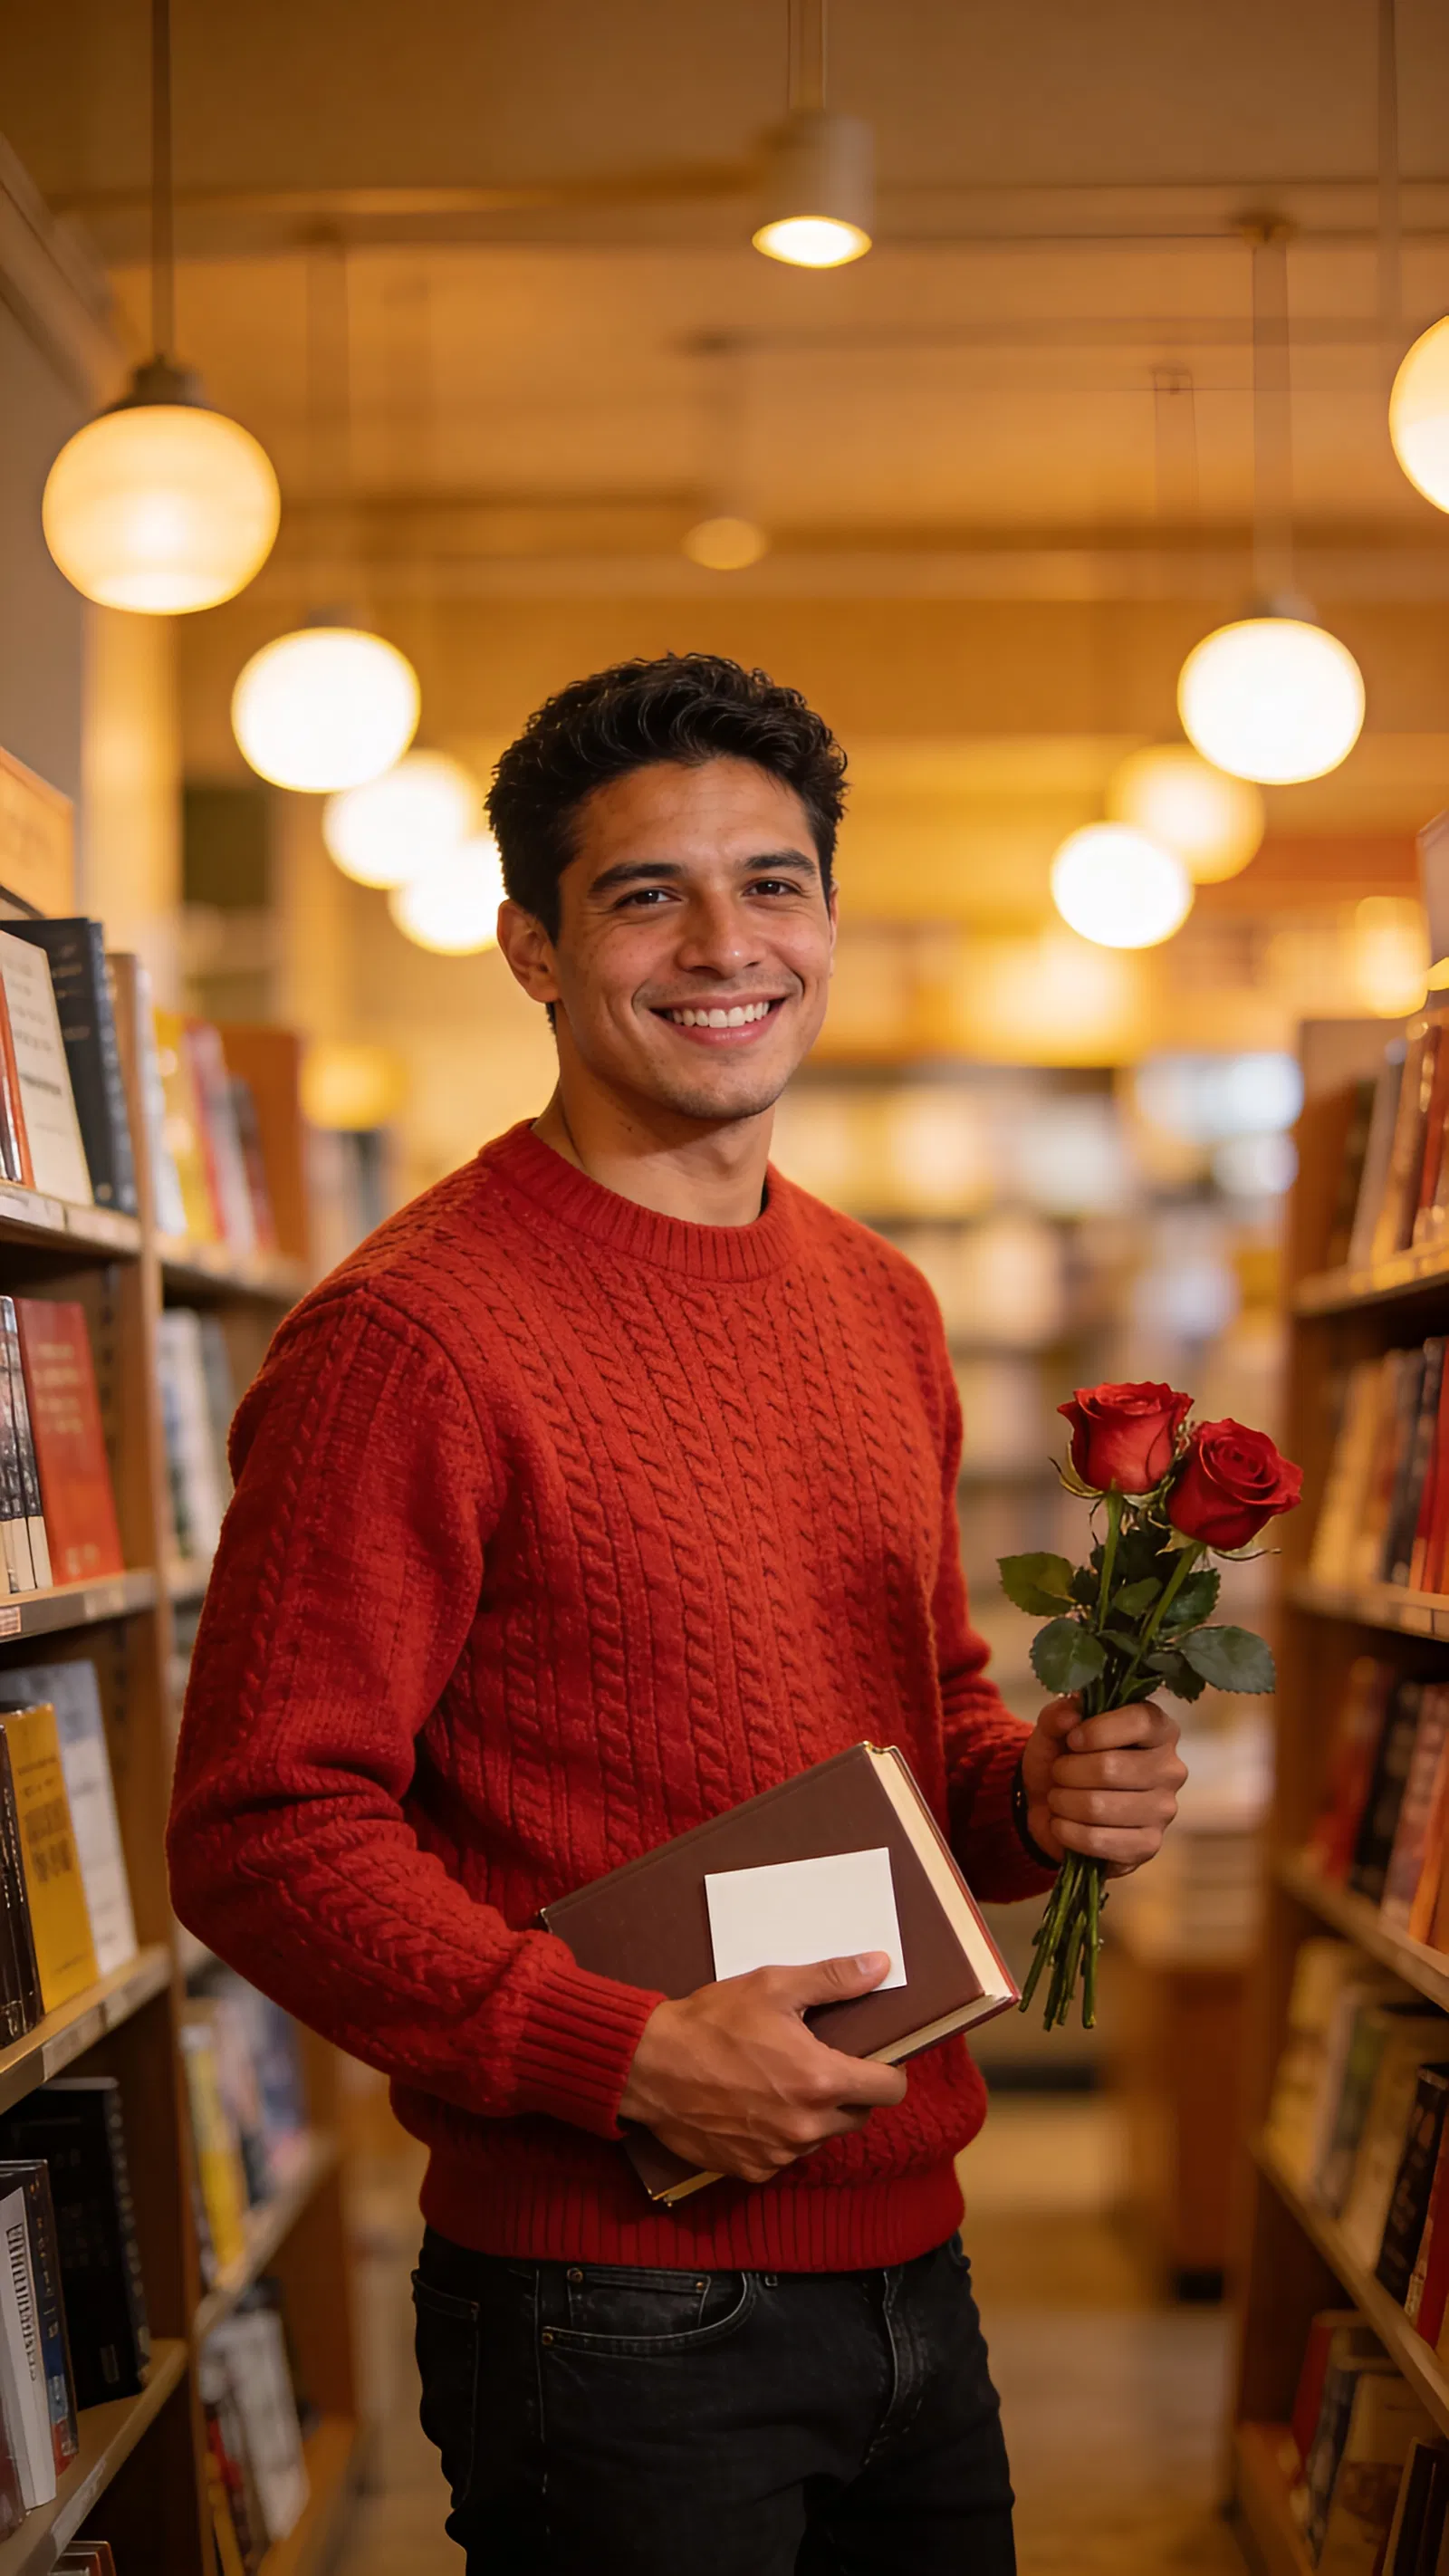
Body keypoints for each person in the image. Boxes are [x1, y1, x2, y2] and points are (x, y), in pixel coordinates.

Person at [167, 652, 1186, 2576]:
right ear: (533, 952)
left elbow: (920, 1721)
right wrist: (617, 2056)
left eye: (772, 882)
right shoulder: (410, 1336)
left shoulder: (877, 1300)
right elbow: (258, 1829)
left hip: (913, 2263)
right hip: (605, 2309)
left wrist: (1029, 1794)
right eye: (646, 893)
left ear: (824, 915)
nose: (725, 942)